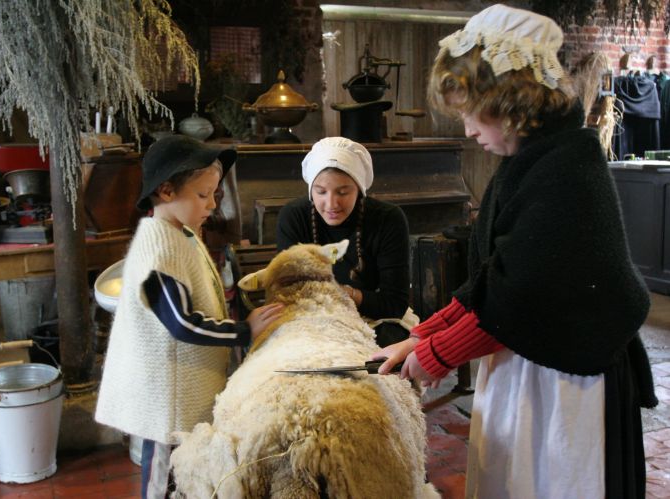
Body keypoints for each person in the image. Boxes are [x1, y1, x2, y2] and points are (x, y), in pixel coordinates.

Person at [371, 5, 658, 498]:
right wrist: (420, 337)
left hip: (566, 380)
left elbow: (518, 296)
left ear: (509, 100)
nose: (466, 131)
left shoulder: (567, 170)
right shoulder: (529, 160)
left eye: (468, 113)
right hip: (531, 359)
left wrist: (434, 355)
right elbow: (490, 280)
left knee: (553, 484)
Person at [95, 135, 283, 499]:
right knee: (164, 478)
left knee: (188, 471)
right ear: (166, 191)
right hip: (166, 398)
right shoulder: (159, 248)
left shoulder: (181, 235)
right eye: (203, 195)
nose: (211, 204)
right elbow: (181, 323)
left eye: (214, 195)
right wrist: (243, 331)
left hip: (182, 387)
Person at [276, 136, 417, 348]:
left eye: (343, 192)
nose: (331, 204)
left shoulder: (388, 219)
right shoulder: (294, 217)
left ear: (359, 189)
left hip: (374, 320)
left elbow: (394, 304)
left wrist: (346, 294)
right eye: (321, 192)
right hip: (311, 320)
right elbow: (289, 292)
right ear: (310, 189)